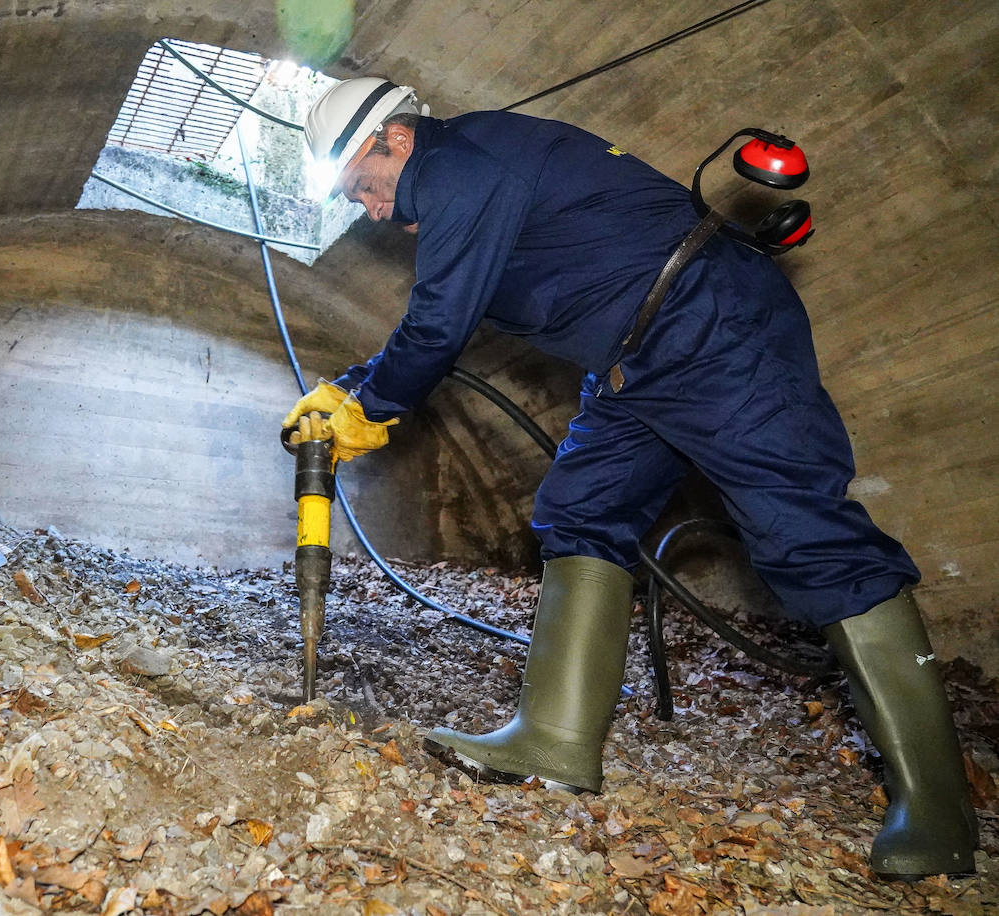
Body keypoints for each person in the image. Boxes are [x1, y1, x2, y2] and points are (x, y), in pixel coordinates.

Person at [280, 77, 977, 880]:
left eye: (363, 189)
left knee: (807, 537)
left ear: (393, 140)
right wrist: (353, 385)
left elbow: (441, 318)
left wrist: (371, 401)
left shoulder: (459, 162)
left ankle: (939, 810)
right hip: (636, 358)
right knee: (580, 512)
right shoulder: (472, 174)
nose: (369, 211)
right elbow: (452, 308)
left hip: (712, 328)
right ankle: (554, 740)